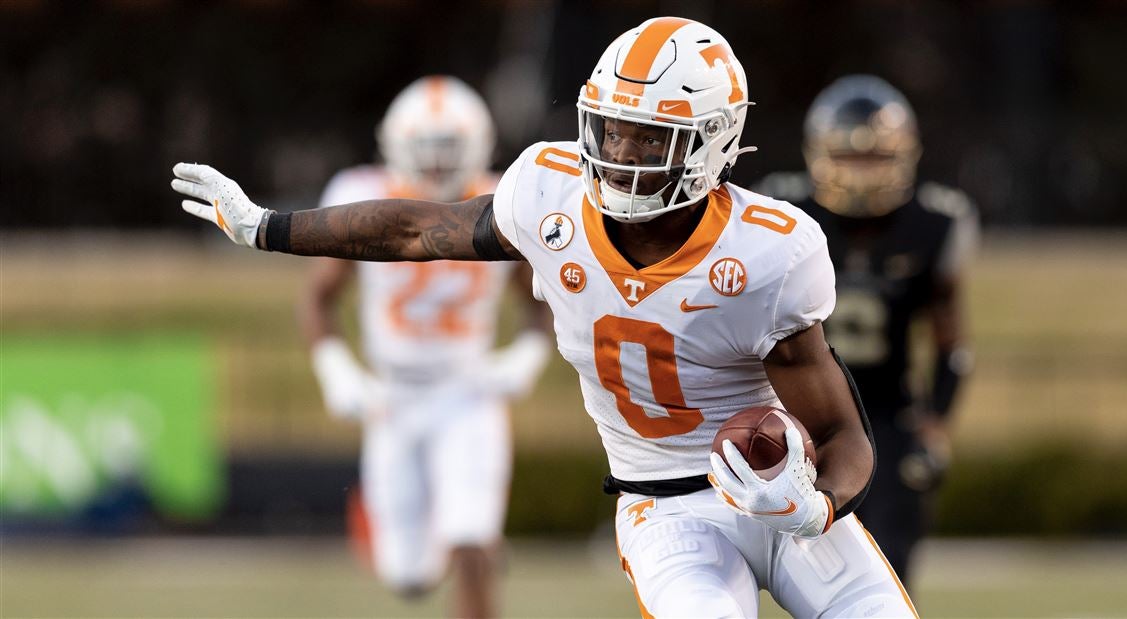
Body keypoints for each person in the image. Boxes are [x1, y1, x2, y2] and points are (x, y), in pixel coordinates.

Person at [173, 17, 916, 618]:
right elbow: (414, 229)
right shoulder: (549, 196)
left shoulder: (766, 253)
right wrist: (265, 225)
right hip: (666, 513)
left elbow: (842, 434)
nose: (623, 152)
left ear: (712, 141)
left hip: (774, 485)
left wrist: (812, 506)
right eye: (613, 129)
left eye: (650, 138)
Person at [298, 76, 552, 619]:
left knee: (468, 541)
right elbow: (318, 297)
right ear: (395, 147)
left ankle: (477, 543)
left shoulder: (502, 202)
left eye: (449, 151)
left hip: (467, 392)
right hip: (392, 398)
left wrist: (527, 353)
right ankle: (469, 542)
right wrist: (335, 369)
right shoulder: (360, 196)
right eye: (427, 151)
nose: (438, 167)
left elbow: (546, 297)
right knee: (409, 578)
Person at [757, 74, 979, 586]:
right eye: (849, 157)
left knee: (890, 571)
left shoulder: (931, 223)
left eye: (875, 158)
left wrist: (935, 427)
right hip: (805, 412)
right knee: (803, 574)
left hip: (888, 417)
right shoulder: (785, 213)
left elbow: (951, 344)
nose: (860, 175)